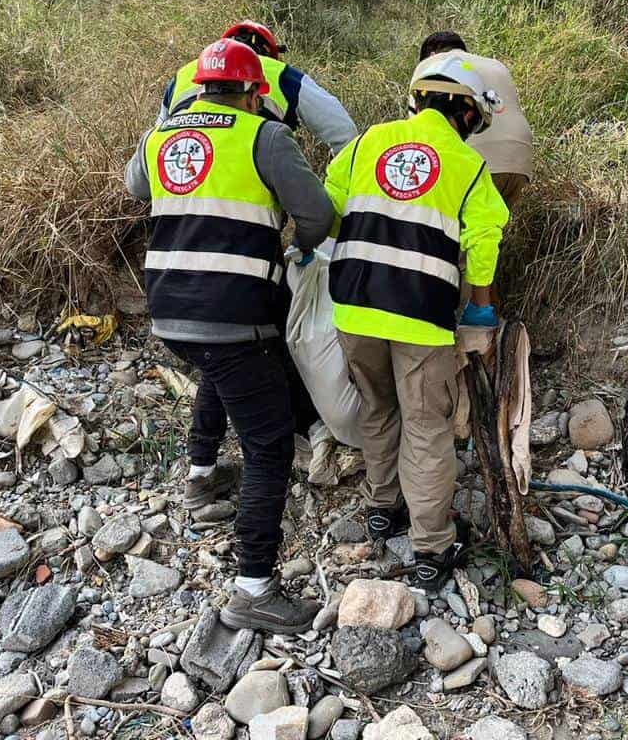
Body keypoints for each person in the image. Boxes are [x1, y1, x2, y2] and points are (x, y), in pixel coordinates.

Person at [125, 38, 333, 633]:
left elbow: (136, 186)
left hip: (169, 311)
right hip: (235, 309)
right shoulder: (262, 136)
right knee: (268, 445)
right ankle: (254, 588)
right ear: (251, 90)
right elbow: (317, 212)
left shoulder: (165, 133)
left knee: (220, 372)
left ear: (199, 86)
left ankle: (200, 477)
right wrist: (300, 245)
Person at [323, 54, 510, 593]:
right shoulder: (467, 165)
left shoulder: (364, 144)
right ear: (469, 116)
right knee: (426, 425)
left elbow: (328, 206)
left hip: (353, 307)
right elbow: (483, 239)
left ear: (418, 101)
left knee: (378, 407)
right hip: (422, 318)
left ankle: (383, 509)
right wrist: (480, 309)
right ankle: (432, 546)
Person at [159, 20, 357, 154]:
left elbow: (156, 139)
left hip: (182, 183)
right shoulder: (283, 75)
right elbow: (343, 132)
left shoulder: (182, 75)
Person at [412, 31, 533, 210]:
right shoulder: (496, 64)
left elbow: (417, 129)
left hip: (473, 162)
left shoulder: (431, 66)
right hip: (519, 163)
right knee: (488, 229)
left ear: (431, 53)